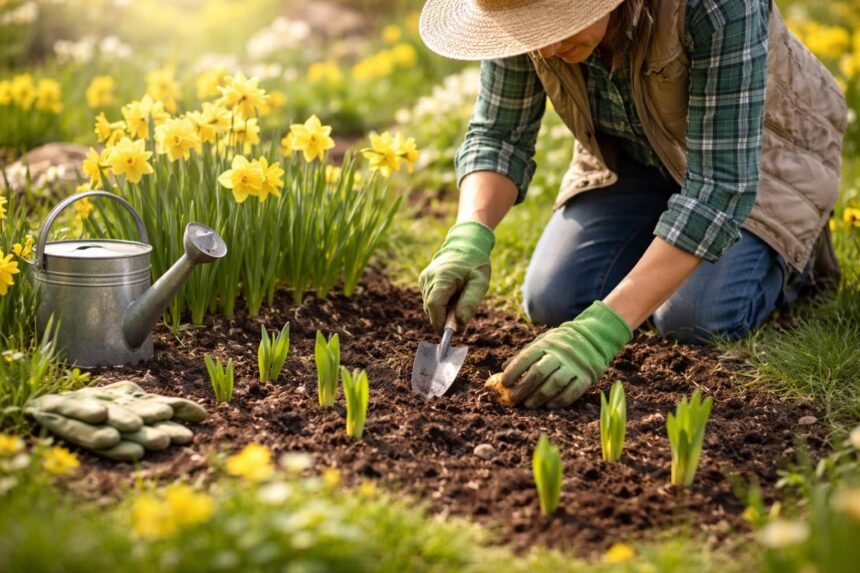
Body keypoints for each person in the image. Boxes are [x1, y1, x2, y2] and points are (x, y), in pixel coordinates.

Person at [416, 0, 847, 409]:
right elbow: (499, 136)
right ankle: (669, 240)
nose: (544, 48)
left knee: (692, 319)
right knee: (554, 299)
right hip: (636, 161)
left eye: (553, 20)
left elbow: (719, 187)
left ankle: (795, 254)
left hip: (763, 165)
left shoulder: (715, 6)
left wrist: (602, 331)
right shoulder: (516, 14)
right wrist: (469, 234)